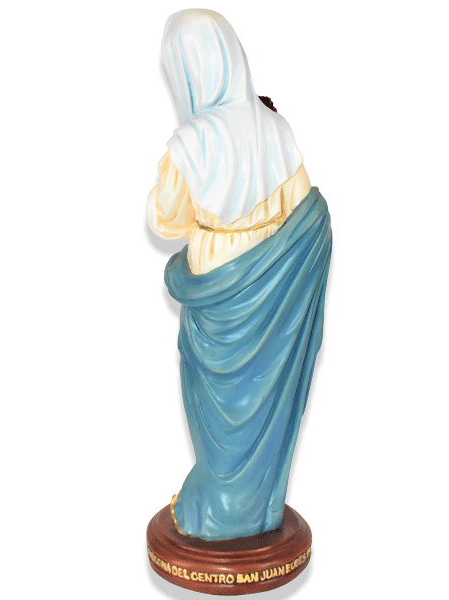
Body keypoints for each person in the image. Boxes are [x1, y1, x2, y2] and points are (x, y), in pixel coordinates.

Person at [147, 9, 332, 541]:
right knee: (262, 397)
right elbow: (304, 207)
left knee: (215, 400)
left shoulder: (191, 144)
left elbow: (163, 219)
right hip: (272, 292)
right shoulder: (277, 129)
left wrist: (212, 210)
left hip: (214, 290)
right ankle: (249, 506)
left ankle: (222, 507)